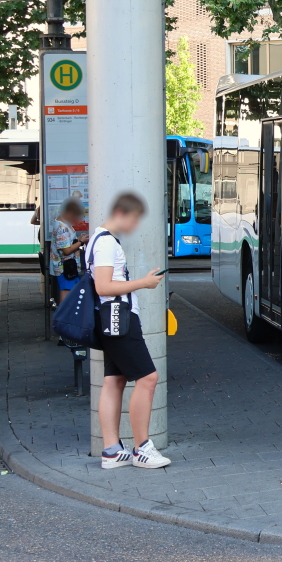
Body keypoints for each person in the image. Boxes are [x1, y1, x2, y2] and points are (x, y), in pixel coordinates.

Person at [87, 192, 170, 469]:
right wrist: (142, 283)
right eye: (134, 219)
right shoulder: (107, 243)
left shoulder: (98, 240)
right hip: (118, 317)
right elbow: (103, 287)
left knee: (114, 380)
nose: (135, 226)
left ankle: (112, 450)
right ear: (121, 212)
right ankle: (142, 448)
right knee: (148, 378)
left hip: (108, 318)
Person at [49, 199, 87, 303]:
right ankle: (64, 318)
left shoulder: (64, 225)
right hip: (65, 267)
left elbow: (67, 243)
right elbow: (66, 250)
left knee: (70, 294)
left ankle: (67, 317)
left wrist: (78, 240)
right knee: (66, 296)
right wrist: (81, 242)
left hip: (68, 266)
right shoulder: (62, 227)